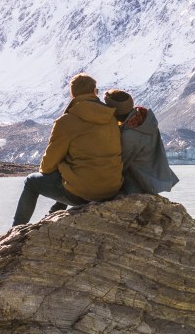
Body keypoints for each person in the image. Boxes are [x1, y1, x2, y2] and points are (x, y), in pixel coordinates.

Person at [11, 73, 123, 226]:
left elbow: (48, 165)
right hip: (112, 188)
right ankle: (55, 212)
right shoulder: (113, 117)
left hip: (84, 193)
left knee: (31, 182)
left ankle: (16, 228)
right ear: (95, 92)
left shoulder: (66, 121)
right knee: (70, 169)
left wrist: (58, 167)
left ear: (72, 94)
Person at [103, 89, 179, 195]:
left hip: (139, 184)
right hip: (153, 178)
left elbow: (120, 164)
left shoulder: (131, 134)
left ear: (114, 111)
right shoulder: (143, 120)